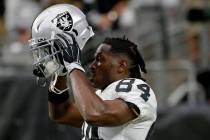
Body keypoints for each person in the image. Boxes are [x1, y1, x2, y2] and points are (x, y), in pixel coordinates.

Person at [29, 4, 157, 140]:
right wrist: (61, 71)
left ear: (121, 65)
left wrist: (73, 63)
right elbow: (61, 114)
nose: (93, 65)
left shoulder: (136, 89)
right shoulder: (102, 97)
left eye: (100, 60)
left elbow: (95, 114)